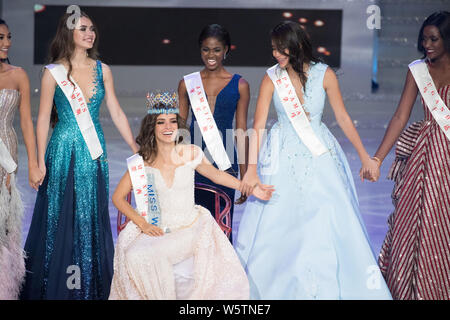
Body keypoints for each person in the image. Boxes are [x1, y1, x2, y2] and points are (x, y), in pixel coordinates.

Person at [235, 21, 392, 299]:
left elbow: (343, 118)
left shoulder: (325, 74)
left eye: (279, 49)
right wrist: (251, 170)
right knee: (280, 222)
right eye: (272, 49)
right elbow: (258, 125)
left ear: (295, 46)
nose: (275, 55)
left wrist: (365, 157)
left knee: (324, 218)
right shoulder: (272, 77)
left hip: (319, 154)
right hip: (281, 153)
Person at [109, 92, 273, 299]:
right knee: (132, 255)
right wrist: (142, 224)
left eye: (172, 122)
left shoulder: (190, 153)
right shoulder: (142, 161)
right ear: (152, 127)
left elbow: (217, 176)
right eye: (161, 122)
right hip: (157, 226)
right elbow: (117, 197)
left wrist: (248, 187)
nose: (168, 127)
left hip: (188, 228)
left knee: (145, 255)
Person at [21, 11, 138, 300]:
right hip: (62, 150)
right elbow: (42, 118)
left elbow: (116, 111)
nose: (90, 34)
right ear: (68, 33)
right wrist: (36, 163)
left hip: (93, 150)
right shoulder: (53, 72)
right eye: (83, 29)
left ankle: (88, 287)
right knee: (59, 216)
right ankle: (55, 285)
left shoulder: (103, 70)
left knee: (90, 214)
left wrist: (136, 148)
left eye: (92, 29)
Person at [364, 11, 450, 300]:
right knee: (413, 220)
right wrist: (377, 158)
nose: (427, 44)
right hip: (425, 158)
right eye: (424, 38)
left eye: (434, 39)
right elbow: (400, 116)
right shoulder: (417, 70)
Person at [178, 24, 250, 241]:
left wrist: (246, 175)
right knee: (192, 228)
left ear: (226, 50)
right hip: (193, 161)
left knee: (221, 225)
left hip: (225, 160)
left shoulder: (240, 84)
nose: (211, 55)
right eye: (205, 49)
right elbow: (180, 128)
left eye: (216, 50)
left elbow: (241, 131)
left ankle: (221, 274)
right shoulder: (186, 83)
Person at [0, 18, 43, 300]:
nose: (7, 43)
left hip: (7, 155)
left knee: (5, 223)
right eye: (0, 37)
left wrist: (35, 163)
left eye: (8, 37)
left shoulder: (18, 75)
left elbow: (26, 122)